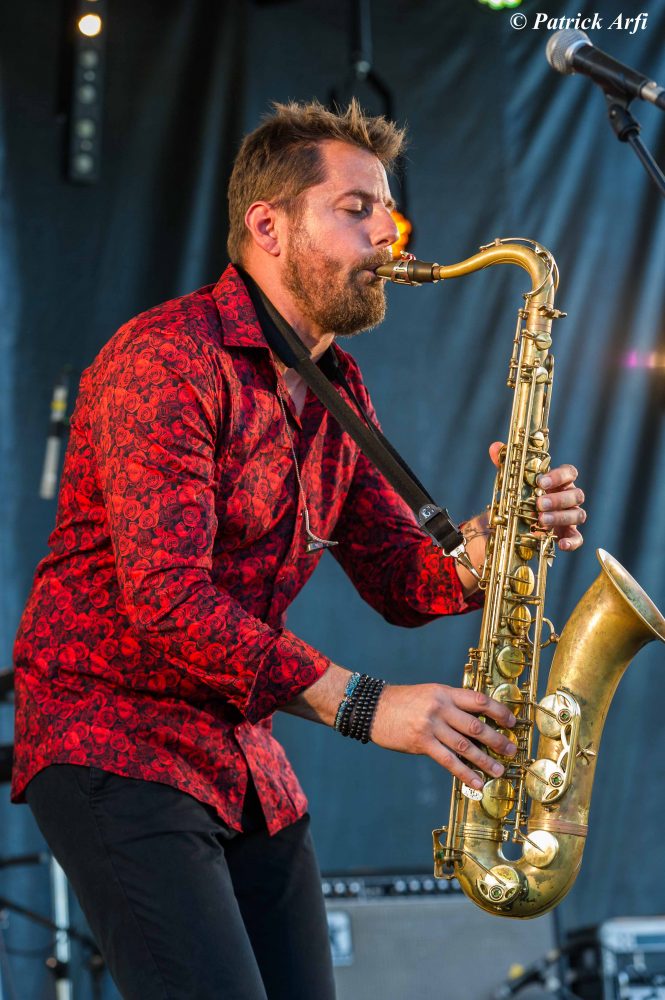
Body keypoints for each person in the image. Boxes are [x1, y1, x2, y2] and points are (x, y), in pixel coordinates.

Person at [12, 100, 585, 1000]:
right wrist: (366, 706)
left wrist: (501, 537)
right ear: (268, 227)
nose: (388, 232)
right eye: (356, 208)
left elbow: (404, 579)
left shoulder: (336, 388)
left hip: (239, 756)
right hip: (115, 742)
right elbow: (168, 601)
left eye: (387, 209)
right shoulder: (165, 359)